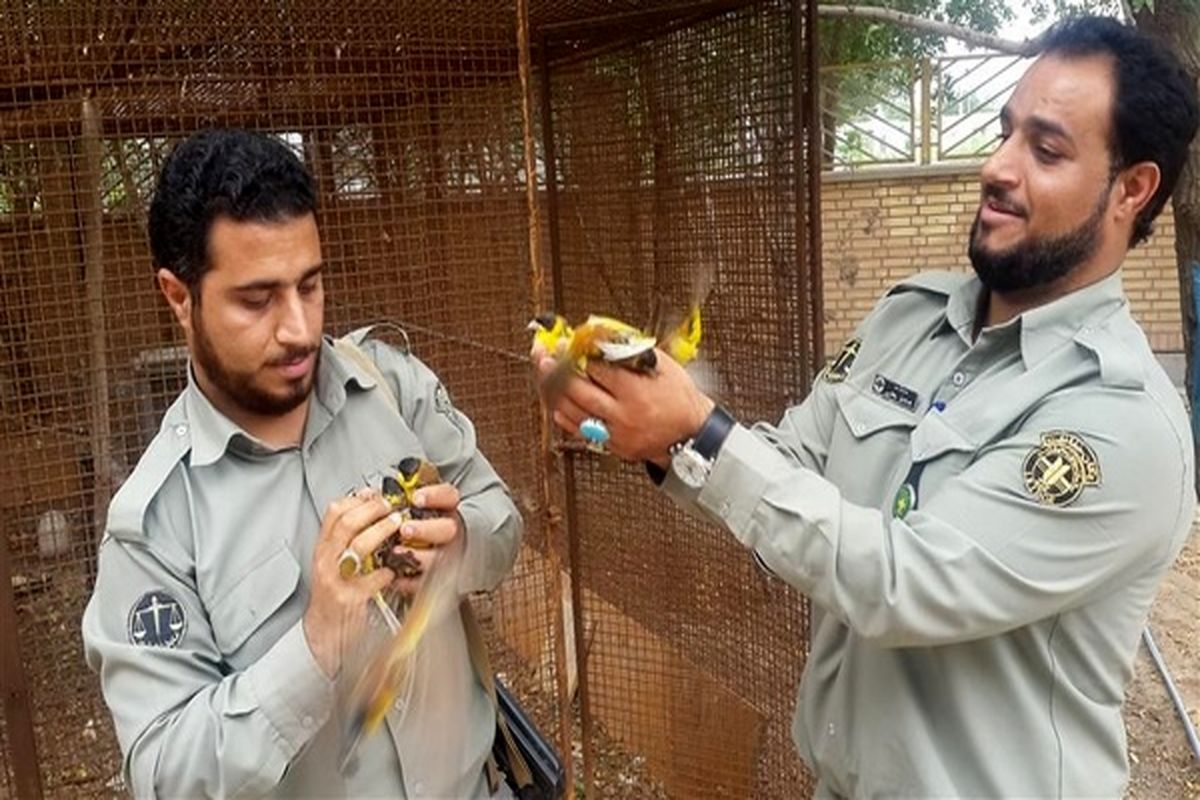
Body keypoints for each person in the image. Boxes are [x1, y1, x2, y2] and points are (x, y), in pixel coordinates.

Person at [536, 16, 1199, 797]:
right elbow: (787, 468)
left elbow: (906, 583)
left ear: (1132, 189)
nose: (997, 167)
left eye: (1046, 150)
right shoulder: (907, 318)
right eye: (1005, 132)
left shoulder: (1119, 420)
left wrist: (700, 432)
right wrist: (653, 433)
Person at [82, 128, 522, 798]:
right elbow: (167, 774)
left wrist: (459, 544)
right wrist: (314, 648)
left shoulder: (392, 387)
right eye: (257, 300)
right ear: (179, 296)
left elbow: (502, 521)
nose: (298, 328)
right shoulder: (156, 527)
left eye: (310, 286)